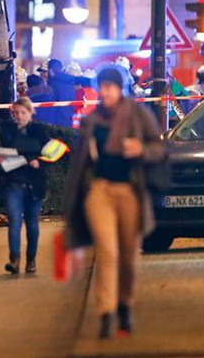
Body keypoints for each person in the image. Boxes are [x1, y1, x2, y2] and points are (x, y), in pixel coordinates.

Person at [63, 68, 167, 339]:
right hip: (99, 192)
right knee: (107, 252)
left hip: (130, 192)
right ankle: (106, 313)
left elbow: (160, 148)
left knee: (129, 256)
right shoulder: (92, 121)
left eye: (111, 86)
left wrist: (141, 150)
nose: (106, 91)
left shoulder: (137, 114)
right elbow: (79, 164)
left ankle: (125, 305)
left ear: (121, 89)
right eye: (103, 86)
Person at [0, 98, 50, 274]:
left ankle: (31, 260)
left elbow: (50, 155)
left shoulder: (40, 132)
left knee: (32, 224)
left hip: (34, 183)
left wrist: (39, 163)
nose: (19, 116)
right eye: (16, 113)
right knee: (15, 222)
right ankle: (15, 260)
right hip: (13, 182)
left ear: (31, 112)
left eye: (22, 113)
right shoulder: (6, 132)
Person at [47, 58, 79, 128]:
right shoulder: (70, 84)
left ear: (50, 70)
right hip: (68, 122)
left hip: (56, 124)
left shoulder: (53, 84)